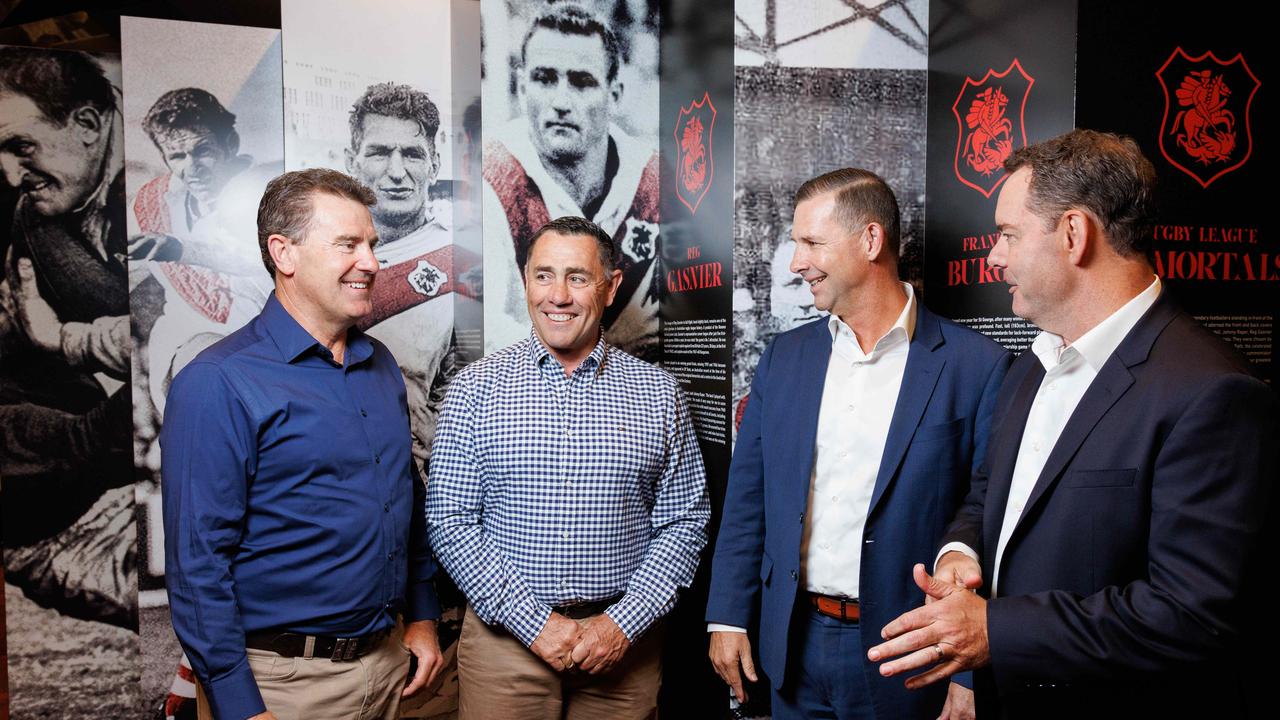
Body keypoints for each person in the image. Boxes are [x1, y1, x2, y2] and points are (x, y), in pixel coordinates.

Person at [868, 129, 1276, 718]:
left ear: (1074, 234)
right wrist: (961, 553)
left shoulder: (1213, 393)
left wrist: (994, 633)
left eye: (1008, 234)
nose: (994, 256)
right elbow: (991, 497)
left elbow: (1191, 617)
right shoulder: (1034, 362)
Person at [706, 169, 1010, 719]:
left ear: (870, 241)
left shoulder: (979, 367)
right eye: (795, 243)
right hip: (790, 645)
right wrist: (728, 617)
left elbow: (987, 520)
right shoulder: (785, 358)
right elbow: (748, 499)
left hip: (910, 654)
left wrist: (967, 674)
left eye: (812, 243)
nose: (797, 262)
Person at [161, 168, 444, 720]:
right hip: (281, 685)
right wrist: (238, 703)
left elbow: (403, 503)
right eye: (348, 245)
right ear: (283, 253)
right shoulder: (217, 381)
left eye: (372, 245)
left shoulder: (380, 365)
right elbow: (198, 563)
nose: (371, 262)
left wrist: (425, 617)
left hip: (387, 667)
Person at [427, 216, 709, 719]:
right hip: (504, 646)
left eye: (577, 277)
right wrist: (534, 623)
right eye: (543, 275)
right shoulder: (475, 391)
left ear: (610, 286)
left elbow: (685, 521)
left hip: (624, 644)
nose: (557, 295)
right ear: (525, 281)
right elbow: (450, 521)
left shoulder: (658, 394)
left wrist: (623, 622)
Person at [0, 45, 134, 627]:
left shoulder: (171, 184)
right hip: (76, 509)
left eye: (20, 145)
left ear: (85, 123)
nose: (8, 174)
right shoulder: (36, 220)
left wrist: (66, 339)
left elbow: (192, 337)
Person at [483, 3, 659, 360]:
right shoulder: (490, 177)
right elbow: (487, 339)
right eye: (545, 79)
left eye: (581, 82)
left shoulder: (656, 183)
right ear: (521, 88)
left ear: (614, 94)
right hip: (527, 405)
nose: (561, 101)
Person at [345, 81, 468, 464]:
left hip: (419, 487)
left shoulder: (463, 261)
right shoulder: (318, 255)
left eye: (412, 155)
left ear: (435, 165)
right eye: (380, 153)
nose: (397, 172)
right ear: (352, 162)